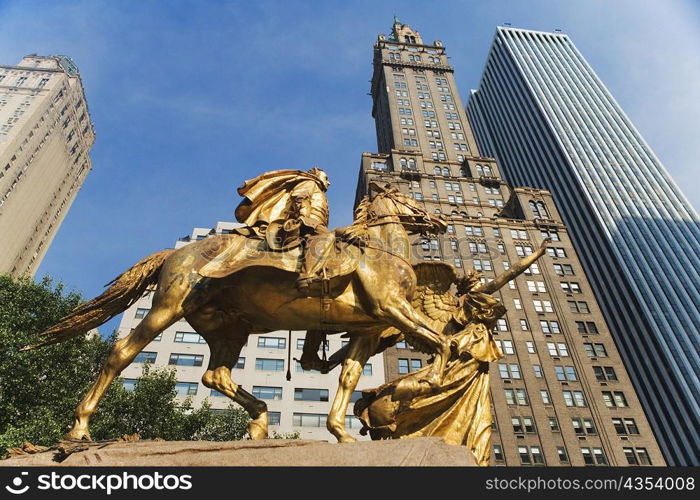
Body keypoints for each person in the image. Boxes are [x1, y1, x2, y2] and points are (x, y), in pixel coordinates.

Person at [234, 167, 334, 292]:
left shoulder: (320, 191)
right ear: (317, 175)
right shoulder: (311, 182)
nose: (328, 183)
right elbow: (300, 197)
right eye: (326, 178)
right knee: (325, 236)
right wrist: (303, 215)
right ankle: (307, 275)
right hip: (307, 221)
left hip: (314, 223)